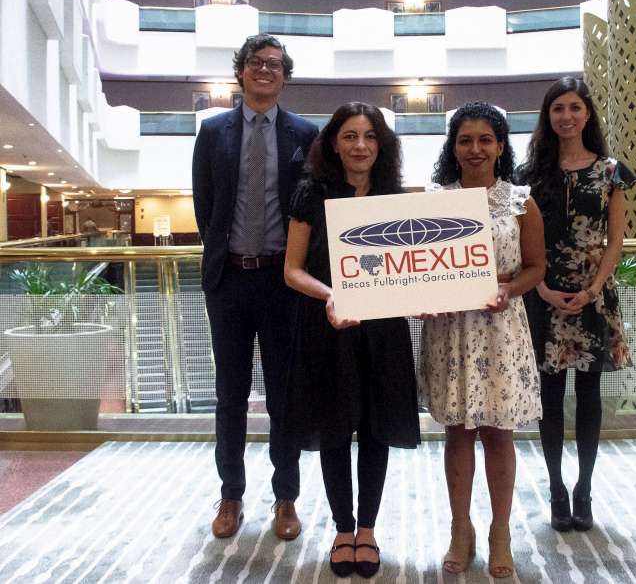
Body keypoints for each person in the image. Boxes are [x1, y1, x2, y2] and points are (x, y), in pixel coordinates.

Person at [283, 102, 420, 578]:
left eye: (369, 136)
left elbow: (409, 268)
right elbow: (292, 270)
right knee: (335, 430)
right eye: (350, 136)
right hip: (329, 327)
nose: (360, 145)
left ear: (381, 145)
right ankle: (343, 530)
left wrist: (423, 294)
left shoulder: (393, 196)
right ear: (333, 144)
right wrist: (331, 295)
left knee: (377, 429)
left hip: (383, 330)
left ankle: (368, 529)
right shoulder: (310, 193)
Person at [191, 34, 318, 540]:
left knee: (285, 395)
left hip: (283, 282)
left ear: (285, 77)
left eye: (274, 64)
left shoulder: (305, 133)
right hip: (229, 282)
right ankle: (231, 495)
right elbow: (205, 206)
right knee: (230, 395)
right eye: (255, 62)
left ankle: (286, 497)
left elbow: (310, 206)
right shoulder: (212, 131)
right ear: (241, 71)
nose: (264, 69)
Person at [417, 101, 546, 578]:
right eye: (465, 140)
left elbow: (536, 266)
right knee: (457, 430)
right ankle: (460, 529)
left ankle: (500, 532)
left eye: (485, 140)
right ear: (453, 147)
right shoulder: (434, 201)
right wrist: (420, 296)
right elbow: (415, 268)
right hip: (450, 328)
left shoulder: (520, 201)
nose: (475, 149)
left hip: (500, 328)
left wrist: (509, 289)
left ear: (500, 146)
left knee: (498, 431)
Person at [516, 76, 636, 533]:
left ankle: (584, 488)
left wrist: (593, 289)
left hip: (593, 296)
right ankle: (556, 488)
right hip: (542, 293)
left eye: (574, 107)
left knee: (589, 394)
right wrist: (542, 288)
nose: (566, 116)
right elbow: (518, 240)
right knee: (548, 396)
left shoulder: (612, 172)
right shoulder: (528, 175)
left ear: (587, 113)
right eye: (557, 109)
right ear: (547, 117)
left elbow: (615, 240)